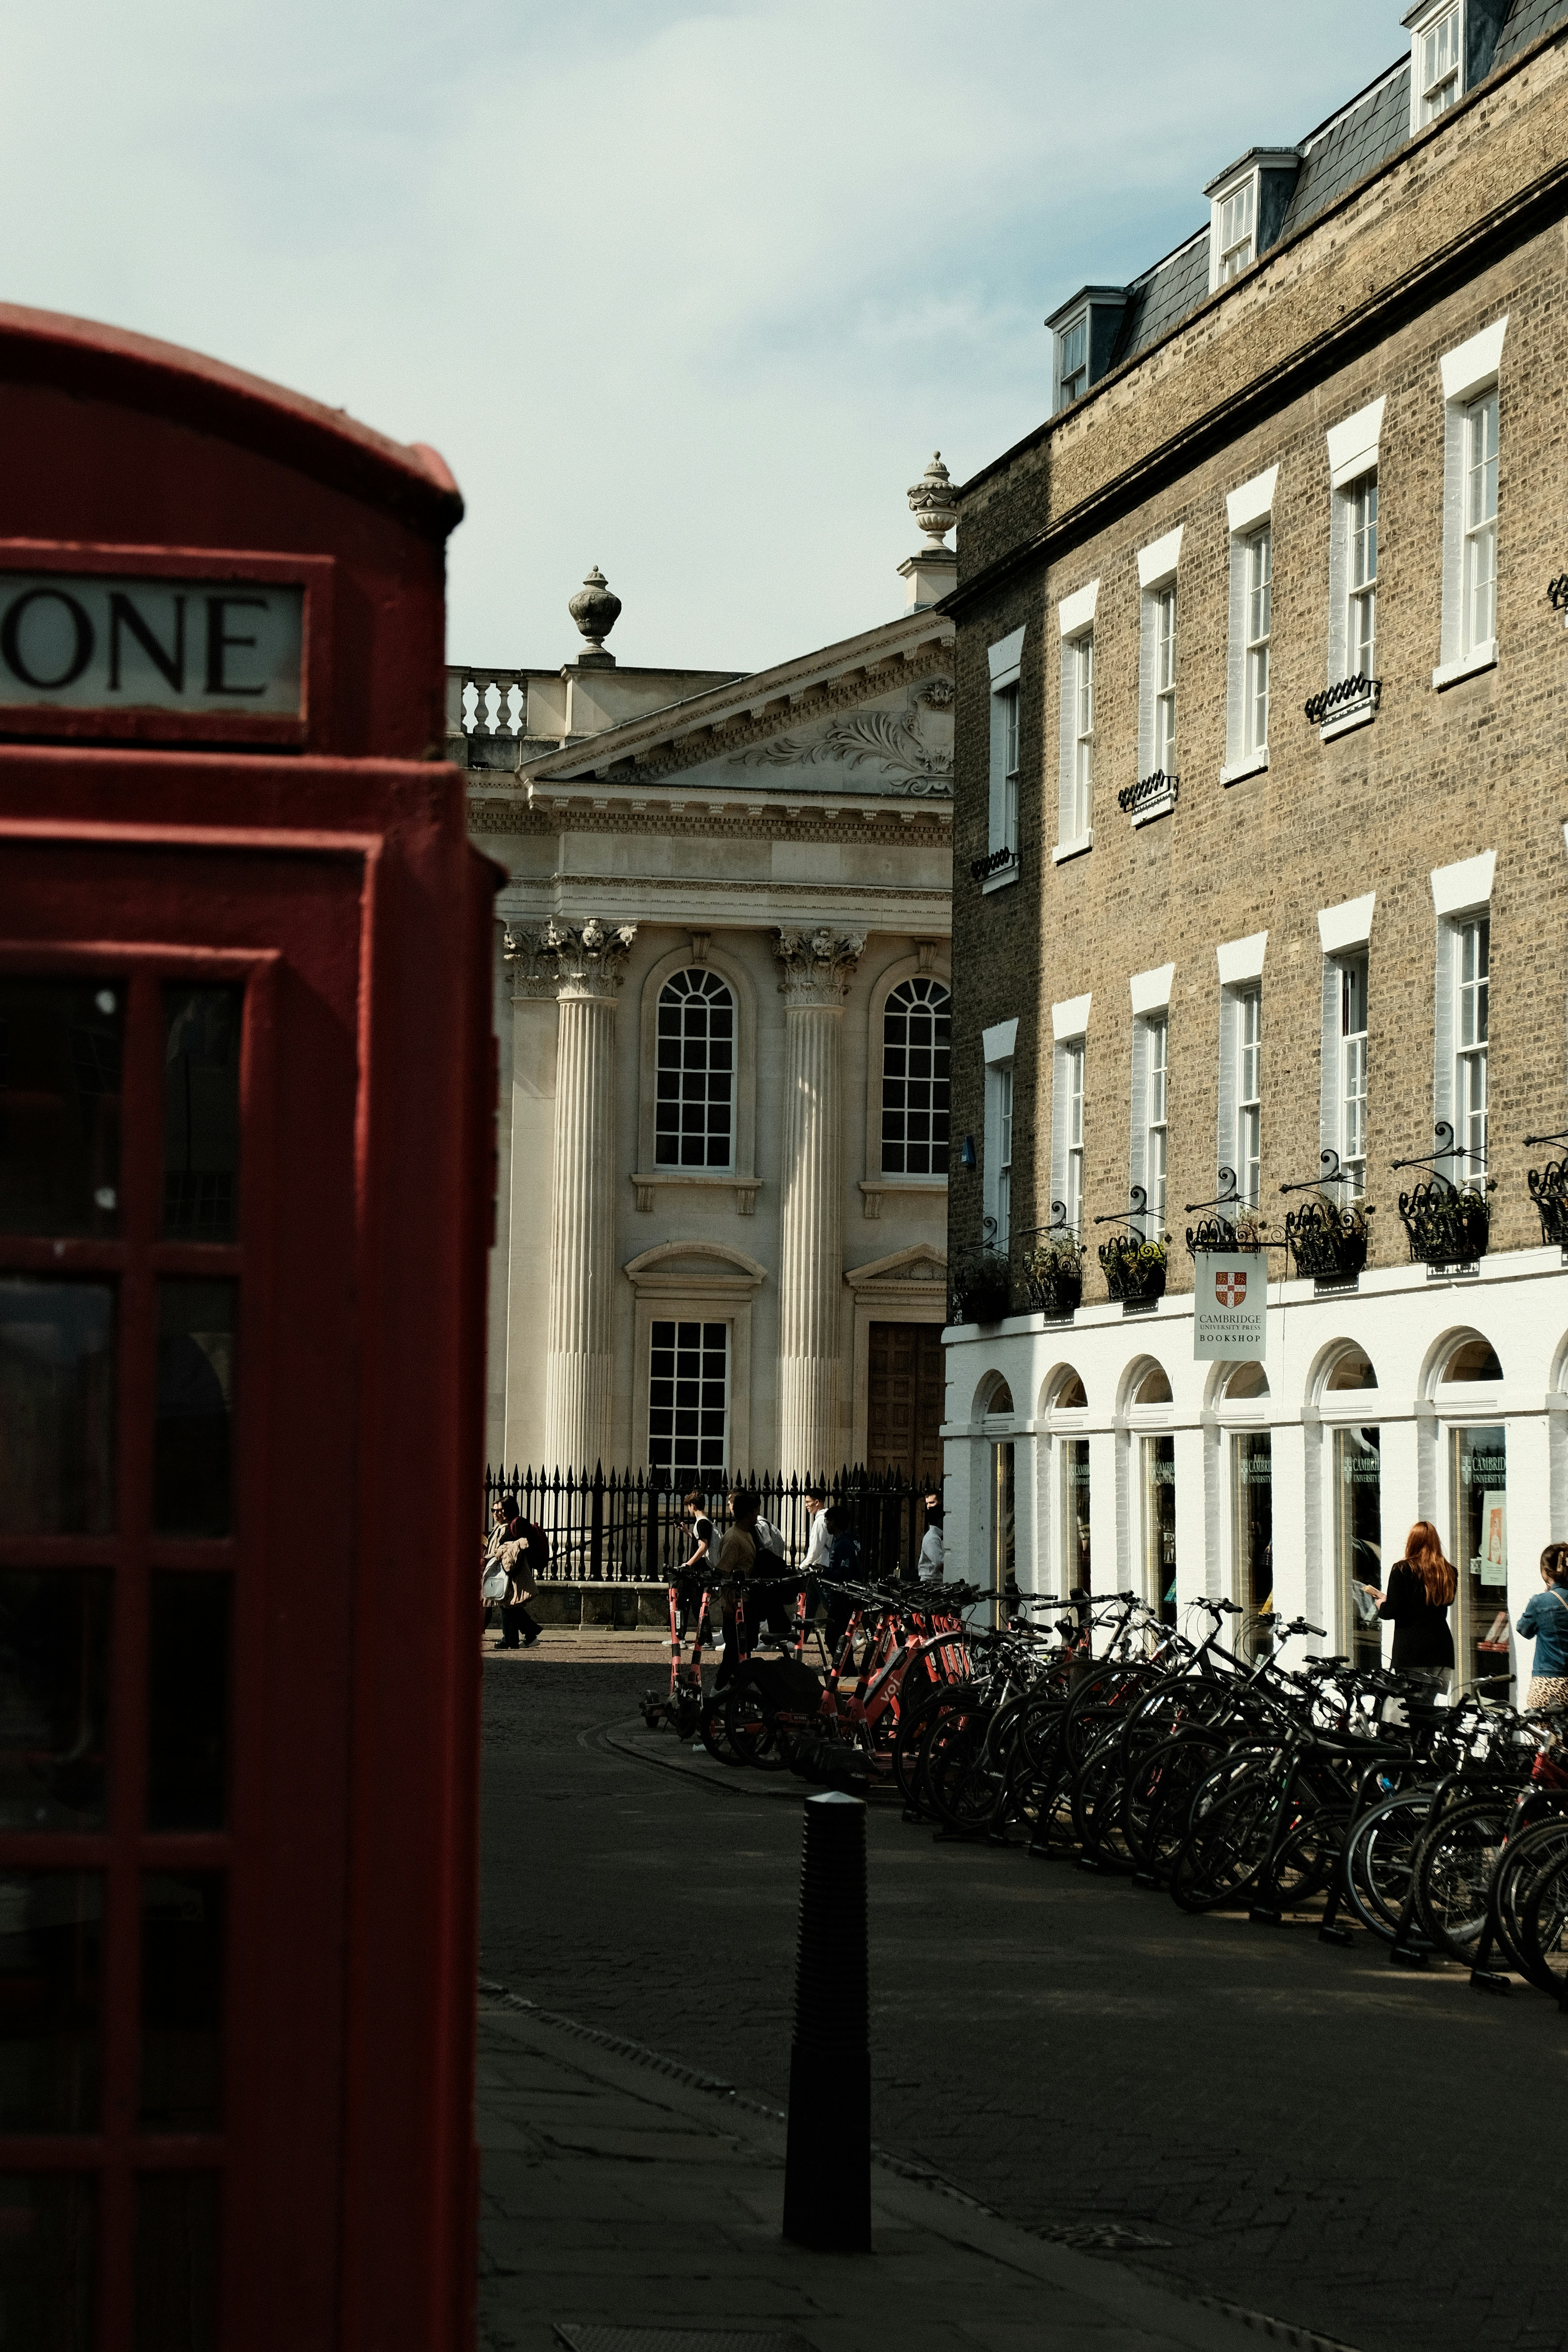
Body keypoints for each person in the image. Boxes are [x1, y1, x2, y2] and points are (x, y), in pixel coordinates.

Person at [1373, 1520, 1456, 1692]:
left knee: (1410, 1707)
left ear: (1413, 1542)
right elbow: (1447, 1601)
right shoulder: (1449, 1571)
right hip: (1442, 1649)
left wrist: (1382, 1603)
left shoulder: (1402, 1569)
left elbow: (1391, 1611)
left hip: (1412, 1650)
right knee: (1428, 1708)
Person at [713, 1488, 760, 1687]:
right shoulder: (734, 1539)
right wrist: (730, 1604)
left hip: (747, 1603)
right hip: (736, 1606)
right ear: (749, 1514)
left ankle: (738, 1694)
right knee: (734, 1651)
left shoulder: (746, 1535)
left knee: (744, 1649)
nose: (758, 1515)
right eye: (756, 1512)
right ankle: (719, 1690)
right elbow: (724, 1573)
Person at [1517, 1540, 1568, 1709]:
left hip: (1548, 1684)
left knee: (1546, 1735)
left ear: (1546, 1572)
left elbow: (1524, 1630)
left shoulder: (1541, 1602)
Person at [490, 1496, 545, 1649]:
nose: (500, 1512)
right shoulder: (510, 1524)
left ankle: (524, 1634)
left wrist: (506, 1549)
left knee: (509, 1604)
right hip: (510, 1569)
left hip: (515, 1570)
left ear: (510, 1509)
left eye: (502, 1509)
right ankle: (513, 1638)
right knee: (508, 1604)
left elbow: (523, 1543)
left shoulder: (519, 1522)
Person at [822, 1501, 862, 1659]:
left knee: (834, 1636)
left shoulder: (844, 1544)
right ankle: (846, 1667)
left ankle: (846, 1668)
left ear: (834, 1522)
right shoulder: (841, 1542)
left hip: (844, 1596)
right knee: (838, 1636)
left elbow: (845, 1572)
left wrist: (826, 1573)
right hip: (841, 1595)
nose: (827, 1525)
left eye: (828, 1521)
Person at [677, 1489, 717, 1642]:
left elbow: (703, 1547)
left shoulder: (701, 1523)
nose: (689, 1510)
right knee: (689, 1603)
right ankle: (683, 1637)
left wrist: (688, 1564)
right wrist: (687, 1531)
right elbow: (700, 1541)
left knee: (694, 1605)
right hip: (697, 1570)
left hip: (697, 1570)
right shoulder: (704, 1523)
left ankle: (703, 1638)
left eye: (689, 1506)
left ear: (693, 1506)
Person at [917, 1494, 945, 1582]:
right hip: (932, 1582)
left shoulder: (936, 1537)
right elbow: (940, 1563)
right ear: (941, 1521)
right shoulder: (932, 1539)